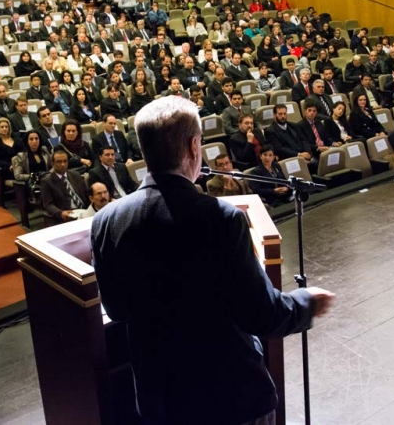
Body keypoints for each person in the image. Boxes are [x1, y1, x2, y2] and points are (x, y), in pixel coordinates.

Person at [90, 96, 333, 425]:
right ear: (194, 146)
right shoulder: (221, 218)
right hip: (229, 399)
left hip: (161, 402)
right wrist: (306, 302)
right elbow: (261, 314)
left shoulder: (106, 222)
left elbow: (117, 309)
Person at [40, 148, 88, 226]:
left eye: (65, 161)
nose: (63, 164)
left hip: (84, 211)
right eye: (59, 162)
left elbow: (86, 194)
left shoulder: (76, 175)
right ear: (52, 164)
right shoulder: (47, 181)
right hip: (67, 214)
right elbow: (48, 205)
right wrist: (61, 213)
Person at [12, 130, 52, 202]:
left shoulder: (44, 150)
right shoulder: (22, 156)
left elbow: (53, 165)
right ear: (27, 141)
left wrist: (49, 174)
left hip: (48, 179)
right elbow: (17, 175)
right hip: (34, 182)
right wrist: (33, 176)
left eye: (36, 139)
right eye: (31, 139)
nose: (34, 141)